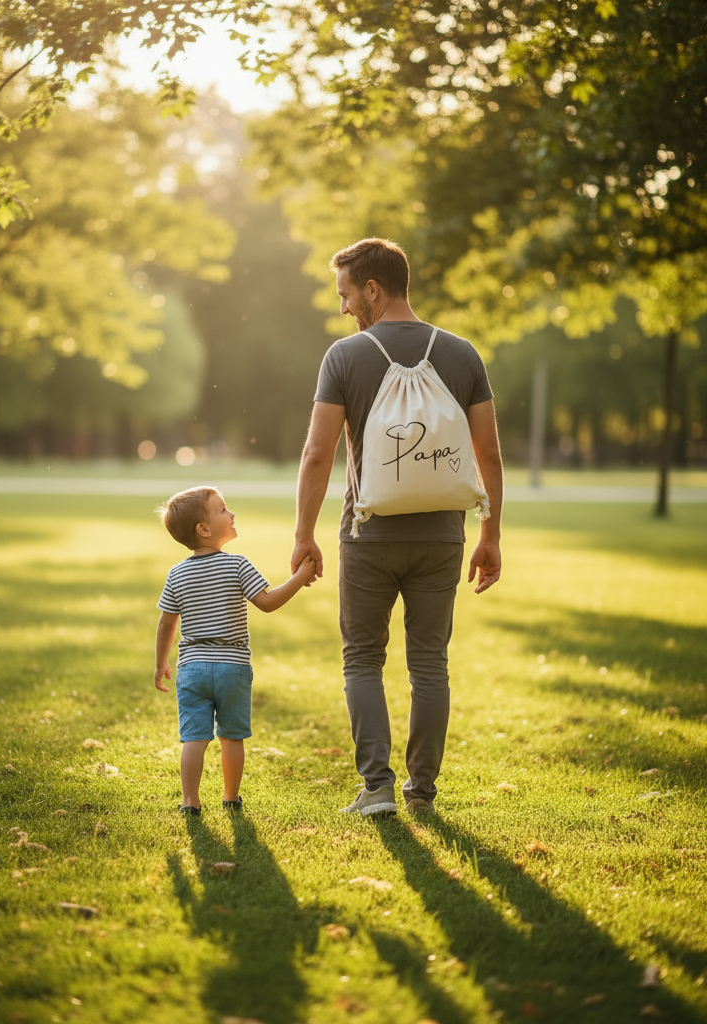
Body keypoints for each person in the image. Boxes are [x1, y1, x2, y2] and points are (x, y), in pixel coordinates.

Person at [291, 237, 504, 818]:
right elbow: (488, 453)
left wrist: (303, 534)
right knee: (429, 662)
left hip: (368, 535)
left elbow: (316, 454)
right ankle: (423, 790)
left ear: (373, 289)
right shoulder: (462, 354)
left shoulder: (345, 357)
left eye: (346, 294)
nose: (343, 308)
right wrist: (491, 535)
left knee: (362, 657)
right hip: (442, 536)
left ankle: (377, 789)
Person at [155, 486, 317, 815]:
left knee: (194, 739)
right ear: (204, 529)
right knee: (232, 737)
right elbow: (268, 602)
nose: (232, 514)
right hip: (233, 668)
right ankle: (230, 797)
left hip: (193, 669)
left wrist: (161, 664)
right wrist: (300, 577)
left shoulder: (177, 573)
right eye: (223, 510)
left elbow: (166, 624)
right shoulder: (238, 565)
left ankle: (190, 801)